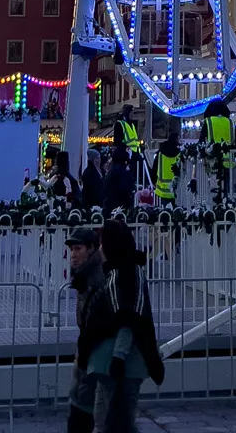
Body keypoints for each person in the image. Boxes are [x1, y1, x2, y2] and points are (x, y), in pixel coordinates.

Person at [78, 217, 163, 433]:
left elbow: (128, 319)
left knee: (110, 422)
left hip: (120, 364)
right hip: (117, 364)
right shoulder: (120, 272)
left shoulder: (122, 274)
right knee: (114, 422)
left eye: (103, 242)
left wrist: (118, 357)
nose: (101, 247)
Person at [65, 222, 106, 433]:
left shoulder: (95, 280)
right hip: (86, 358)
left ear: (91, 249)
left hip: (92, 361)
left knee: (83, 416)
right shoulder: (84, 278)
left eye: (78, 249)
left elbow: (95, 327)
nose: (73, 254)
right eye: (72, 249)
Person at [202, 98, 236, 199]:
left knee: (212, 189)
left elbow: (202, 141)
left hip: (212, 161)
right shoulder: (230, 122)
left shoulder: (208, 122)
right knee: (226, 189)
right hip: (228, 162)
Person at [102, 144, 134, 213]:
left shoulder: (113, 168)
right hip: (120, 205)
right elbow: (124, 187)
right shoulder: (121, 170)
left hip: (112, 203)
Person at [151, 137, 179, 208]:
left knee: (165, 212)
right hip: (176, 189)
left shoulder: (160, 154)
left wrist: (153, 180)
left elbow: (154, 168)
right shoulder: (178, 154)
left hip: (163, 190)